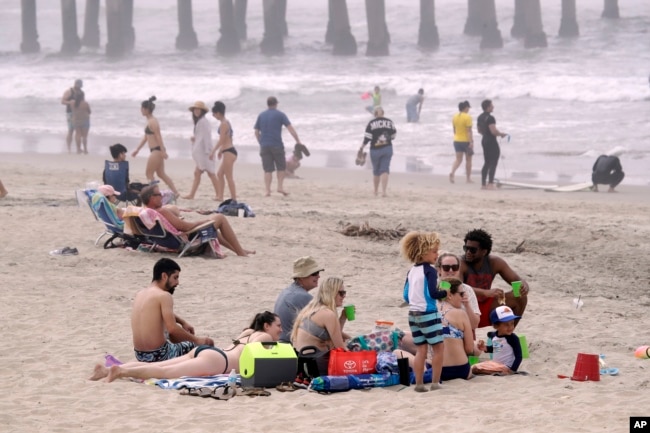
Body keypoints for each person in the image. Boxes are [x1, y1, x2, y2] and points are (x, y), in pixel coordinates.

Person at [90, 311, 281, 382]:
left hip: (210, 353)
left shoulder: (247, 332)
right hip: (217, 361)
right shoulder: (264, 336)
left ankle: (107, 370)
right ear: (266, 325)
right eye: (278, 326)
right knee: (164, 373)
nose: (280, 330)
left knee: (161, 366)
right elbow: (251, 353)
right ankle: (120, 372)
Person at [130, 258, 214, 362]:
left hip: (140, 355)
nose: (177, 282)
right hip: (160, 355)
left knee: (171, 333)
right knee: (206, 346)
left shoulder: (141, 294)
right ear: (164, 276)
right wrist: (198, 340)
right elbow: (172, 329)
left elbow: (159, 312)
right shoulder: (164, 296)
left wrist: (182, 322)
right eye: (175, 277)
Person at [140, 185, 254, 257]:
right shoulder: (161, 211)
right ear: (152, 198)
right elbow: (185, 227)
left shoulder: (147, 213)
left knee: (212, 227)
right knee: (220, 217)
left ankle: (238, 249)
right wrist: (202, 222)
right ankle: (240, 252)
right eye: (159, 194)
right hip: (186, 238)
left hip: (167, 240)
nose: (162, 196)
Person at [400, 231, 447, 392]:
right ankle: (435, 382)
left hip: (413, 315)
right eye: (434, 251)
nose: (437, 254)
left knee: (421, 349)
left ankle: (419, 384)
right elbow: (433, 293)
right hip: (429, 313)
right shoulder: (431, 271)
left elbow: (405, 295)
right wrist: (444, 293)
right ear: (423, 251)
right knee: (438, 348)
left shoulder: (411, 271)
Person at [459, 228, 529, 329]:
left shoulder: (495, 262)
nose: (468, 252)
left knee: (520, 296)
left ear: (484, 251)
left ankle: (507, 335)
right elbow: (458, 287)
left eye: (473, 250)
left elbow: (517, 280)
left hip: (487, 307)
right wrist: (485, 292)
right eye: (466, 248)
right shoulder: (461, 263)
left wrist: (524, 285)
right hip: (467, 308)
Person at [291, 277, 351, 375]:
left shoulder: (312, 309)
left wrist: (342, 318)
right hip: (315, 365)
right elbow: (340, 347)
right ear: (331, 293)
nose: (343, 296)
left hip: (302, 363)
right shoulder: (328, 314)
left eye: (344, 293)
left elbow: (336, 334)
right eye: (341, 293)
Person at [254, 96, 303, 197]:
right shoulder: (280, 115)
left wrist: (260, 142)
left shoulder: (261, 115)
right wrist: (298, 141)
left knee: (267, 169)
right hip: (277, 145)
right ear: (276, 104)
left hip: (265, 145)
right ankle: (280, 187)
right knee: (281, 167)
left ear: (268, 104)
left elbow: (256, 131)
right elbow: (290, 129)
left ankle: (267, 190)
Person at [131, 96, 180, 197]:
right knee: (161, 174)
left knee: (149, 173)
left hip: (156, 150)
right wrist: (137, 150)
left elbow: (158, 136)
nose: (141, 110)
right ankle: (175, 192)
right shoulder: (149, 121)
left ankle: (154, 194)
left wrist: (163, 151)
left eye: (142, 108)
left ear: (146, 109)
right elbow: (146, 137)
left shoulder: (153, 121)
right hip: (155, 150)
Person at [273, 256, 324, 342]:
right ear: (301, 277)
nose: (318, 276)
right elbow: (326, 327)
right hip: (292, 346)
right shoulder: (303, 296)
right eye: (314, 274)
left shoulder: (288, 291)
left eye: (318, 273)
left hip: (282, 342)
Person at [182, 101, 220, 200]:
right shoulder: (200, 121)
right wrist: (195, 138)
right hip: (202, 153)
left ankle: (219, 195)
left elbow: (207, 137)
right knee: (198, 173)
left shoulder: (203, 122)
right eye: (195, 109)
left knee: (211, 173)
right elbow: (201, 136)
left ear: (202, 111)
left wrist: (210, 152)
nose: (196, 111)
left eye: (198, 109)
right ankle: (192, 195)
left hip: (205, 153)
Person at [472, 306, 523, 375]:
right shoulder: (495, 336)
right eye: (506, 324)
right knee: (473, 368)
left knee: (475, 369)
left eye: (512, 323)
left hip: (506, 367)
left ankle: (501, 372)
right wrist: (485, 348)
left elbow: (519, 356)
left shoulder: (513, 338)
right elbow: (497, 349)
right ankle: (495, 371)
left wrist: (512, 370)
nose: (510, 327)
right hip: (495, 364)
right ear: (496, 326)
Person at [436, 252, 480, 331]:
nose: (450, 270)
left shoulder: (466, 289)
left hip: (462, 333)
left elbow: (474, 325)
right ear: (439, 270)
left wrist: (467, 305)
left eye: (454, 267)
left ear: (459, 269)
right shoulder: (431, 288)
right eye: (446, 267)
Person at [359, 106, 397, 197]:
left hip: (375, 150)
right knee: (385, 170)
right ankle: (384, 192)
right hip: (387, 148)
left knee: (376, 171)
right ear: (383, 113)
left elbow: (367, 138)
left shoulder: (371, 123)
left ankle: (375, 191)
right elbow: (393, 136)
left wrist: (362, 147)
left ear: (375, 113)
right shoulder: (389, 122)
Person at [210, 101, 238, 202]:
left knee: (229, 176)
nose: (213, 116)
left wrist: (213, 151)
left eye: (214, 114)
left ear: (218, 113)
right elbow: (228, 138)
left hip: (229, 151)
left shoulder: (223, 124)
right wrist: (221, 150)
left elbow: (221, 140)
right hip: (228, 150)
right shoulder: (227, 122)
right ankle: (220, 196)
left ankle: (234, 199)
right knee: (220, 174)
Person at [477, 99, 508, 190]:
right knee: (493, 162)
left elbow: (479, 130)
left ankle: (483, 184)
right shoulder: (490, 118)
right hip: (491, 141)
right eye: (492, 105)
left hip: (484, 140)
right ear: (488, 107)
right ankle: (490, 184)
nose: (493, 106)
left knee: (486, 162)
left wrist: (486, 134)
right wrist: (501, 134)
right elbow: (493, 131)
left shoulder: (480, 117)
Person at [449, 101, 474, 184]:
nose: (469, 109)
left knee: (458, 159)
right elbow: (469, 131)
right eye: (468, 108)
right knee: (468, 160)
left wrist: (457, 137)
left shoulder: (455, 116)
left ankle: (452, 172)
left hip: (456, 140)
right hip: (466, 141)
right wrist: (471, 142)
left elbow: (454, 130)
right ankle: (468, 179)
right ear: (465, 108)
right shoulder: (467, 117)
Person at [61, 78, 83, 153]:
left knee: (78, 131)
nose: (79, 87)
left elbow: (82, 103)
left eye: (80, 85)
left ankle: (78, 149)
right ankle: (69, 149)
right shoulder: (69, 91)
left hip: (79, 114)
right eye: (78, 85)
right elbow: (62, 101)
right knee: (71, 130)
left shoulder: (81, 92)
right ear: (75, 84)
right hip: (70, 113)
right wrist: (70, 102)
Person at [70, 90, 91, 154]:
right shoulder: (85, 103)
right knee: (84, 136)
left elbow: (72, 110)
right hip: (85, 120)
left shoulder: (72, 103)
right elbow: (89, 112)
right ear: (83, 96)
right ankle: (85, 150)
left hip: (76, 120)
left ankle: (78, 149)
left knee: (78, 135)